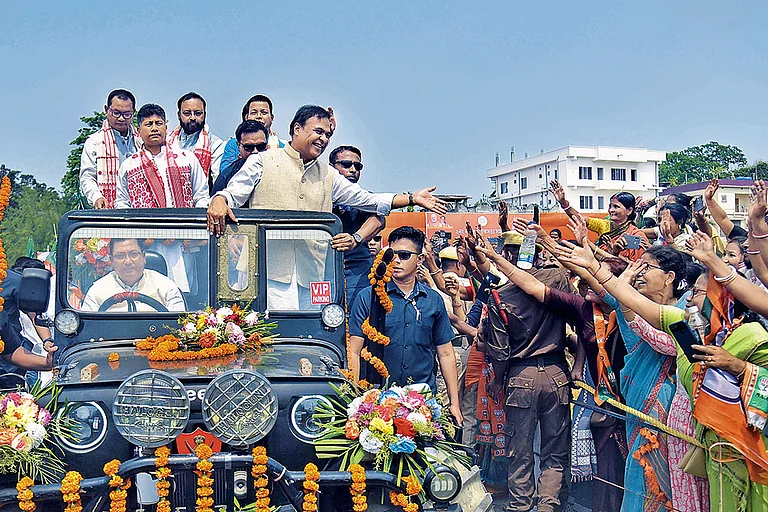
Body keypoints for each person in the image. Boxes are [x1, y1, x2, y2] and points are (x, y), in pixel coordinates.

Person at [476, 230, 573, 512]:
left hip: (520, 376)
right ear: (538, 252)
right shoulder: (558, 279)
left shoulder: (500, 295)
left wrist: (497, 380)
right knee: (555, 450)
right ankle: (548, 505)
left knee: (520, 449)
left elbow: (500, 350)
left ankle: (520, 505)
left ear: (505, 256)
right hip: (557, 374)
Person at [348, 227, 462, 425]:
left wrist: (454, 403)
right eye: (392, 254)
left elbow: (445, 353)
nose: (397, 260)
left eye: (405, 255)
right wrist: (355, 398)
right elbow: (354, 350)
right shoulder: (368, 297)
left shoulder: (433, 301)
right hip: (377, 402)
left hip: (422, 403)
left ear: (419, 259)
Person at [115, 104, 210, 209]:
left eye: (158, 123)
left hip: (184, 223)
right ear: (139, 131)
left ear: (165, 128)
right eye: (149, 124)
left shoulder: (186, 159)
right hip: (143, 225)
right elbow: (122, 203)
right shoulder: (129, 166)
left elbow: (201, 196)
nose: (154, 128)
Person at [327, 145, 386, 309]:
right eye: (346, 164)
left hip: (356, 269)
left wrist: (356, 238)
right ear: (332, 167)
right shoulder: (318, 192)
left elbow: (378, 219)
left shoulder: (362, 197)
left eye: (357, 166)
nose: (353, 170)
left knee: (358, 320)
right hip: (321, 267)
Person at [550, 180, 648, 261]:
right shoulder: (604, 225)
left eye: (616, 207)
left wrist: (615, 254)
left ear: (629, 211)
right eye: (610, 206)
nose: (611, 210)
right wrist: (564, 203)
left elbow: (638, 264)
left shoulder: (636, 235)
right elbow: (581, 219)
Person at [82, 239, 185, 312]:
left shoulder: (167, 286)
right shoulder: (96, 291)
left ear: (144, 257)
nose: (127, 261)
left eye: (133, 254)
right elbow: (89, 331)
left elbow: (179, 326)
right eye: (120, 256)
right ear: (111, 261)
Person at [80, 89, 141, 209]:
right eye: (116, 113)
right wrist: (96, 197)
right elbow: (87, 177)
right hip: (108, 210)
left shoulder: (141, 141)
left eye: (127, 114)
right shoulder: (95, 142)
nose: (121, 118)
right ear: (106, 110)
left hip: (139, 208)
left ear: (133, 112)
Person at [167, 92, 225, 183]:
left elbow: (217, 179)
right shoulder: (167, 142)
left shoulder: (215, 144)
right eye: (187, 113)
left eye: (198, 113)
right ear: (179, 115)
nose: (193, 117)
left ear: (204, 115)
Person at [220, 94, 288, 171]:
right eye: (254, 113)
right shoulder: (233, 144)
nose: (259, 116)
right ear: (246, 117)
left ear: (272, 118)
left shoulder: (283, 148)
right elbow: (225, 174)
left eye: (264, 113)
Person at [211, 120, 269, 199]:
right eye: (248, 147)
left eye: (261, 146)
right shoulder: (226, 176)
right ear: (238, 146)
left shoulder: (278, 169)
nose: (255, 152)